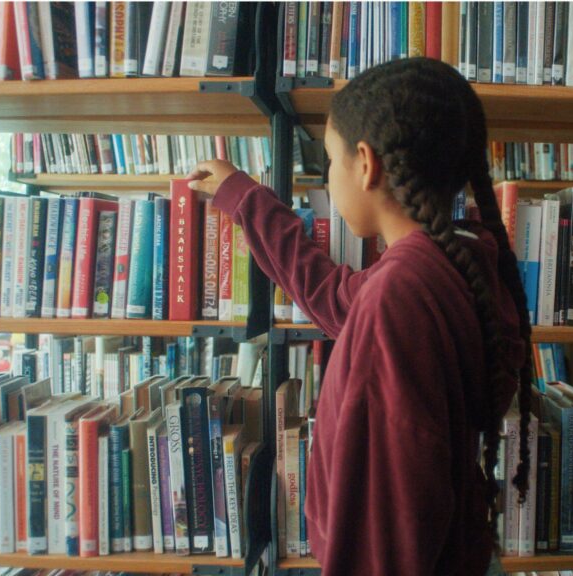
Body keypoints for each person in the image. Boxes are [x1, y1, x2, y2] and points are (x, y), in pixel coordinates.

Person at [189, 57, 534, 576]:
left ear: (366, 164)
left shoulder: (400, 296)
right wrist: (243, 197)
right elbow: (334, 298)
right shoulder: (456, 261)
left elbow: (385, 528)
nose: (329, 176)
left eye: (330, 159)